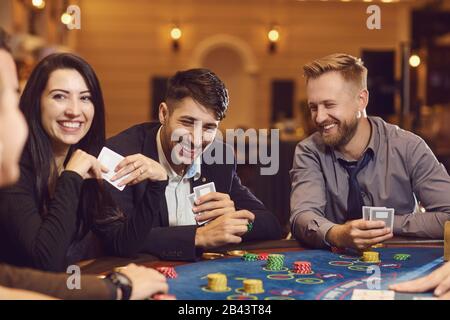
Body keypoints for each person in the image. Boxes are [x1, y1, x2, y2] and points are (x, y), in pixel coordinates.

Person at [0, 28, 168, 299]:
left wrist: (158, 185)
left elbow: (122, 243)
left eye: (85, 97)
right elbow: (46, 262)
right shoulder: (12, 170)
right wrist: (71, 177)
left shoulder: (87, 160)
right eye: (59, 96)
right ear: (35, 103)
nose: (74, 110)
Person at [105, 68, 282, 261]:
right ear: (164, 114)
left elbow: (271, 224)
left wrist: (236, 219)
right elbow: (116, 239)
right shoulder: (118, 154)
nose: (196, 140)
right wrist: (199, 237)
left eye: (208, 127)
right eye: (188, 122)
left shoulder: (220, 156)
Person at [290, 53, 450, 250]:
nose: (320, 117)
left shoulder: (408, 146)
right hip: (333, 265)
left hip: (401, 262)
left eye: (329, 105)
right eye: (313, 107)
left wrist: (386, 224)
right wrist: (337, 234)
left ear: (361, 100)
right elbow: (302, 216)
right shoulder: (309, 151)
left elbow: (448, 215)